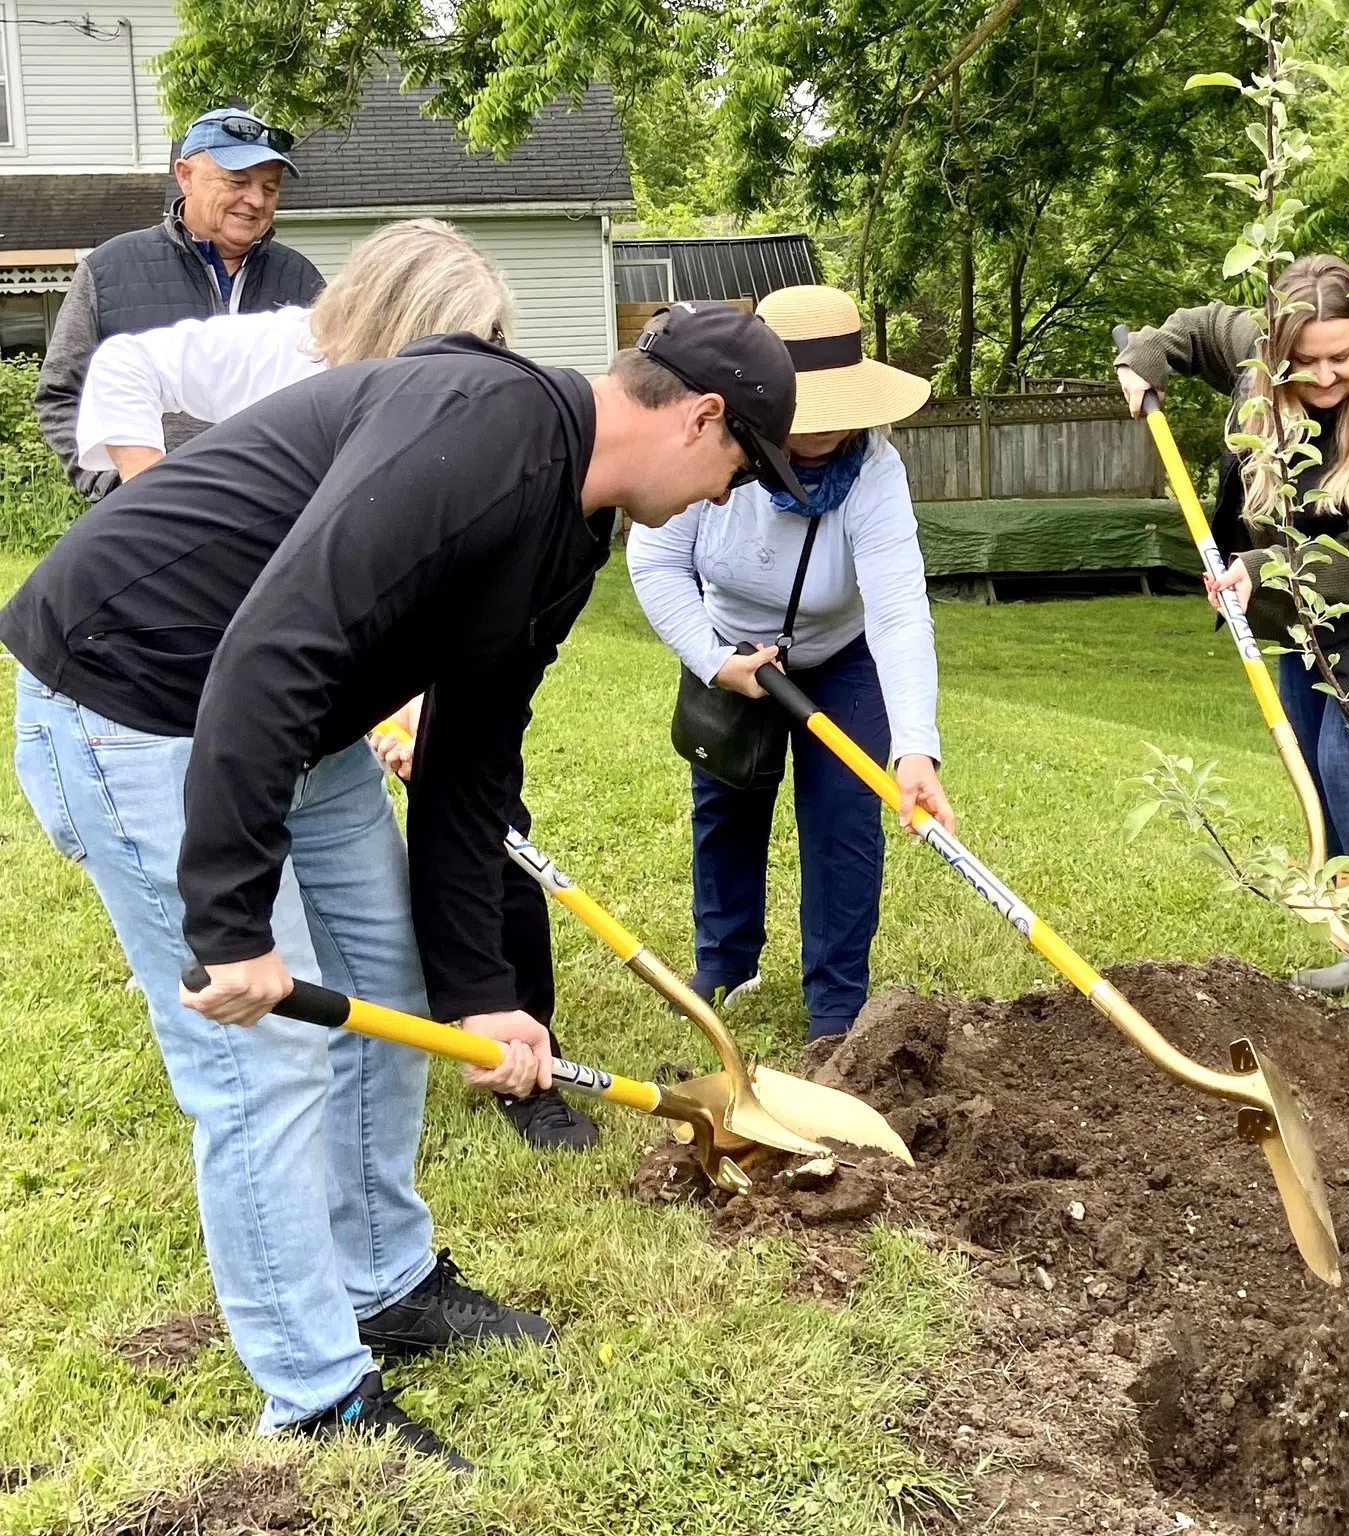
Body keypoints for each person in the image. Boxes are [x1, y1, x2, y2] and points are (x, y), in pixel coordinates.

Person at [1, 303, 804, 1463]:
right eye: (741, 465)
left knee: (389, 984)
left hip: (297, 724)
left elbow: (473, 757)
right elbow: (272, 645)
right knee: (260, 1059)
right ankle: (316, 1396)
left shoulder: (568, 526)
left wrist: (483, 988)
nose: (730, 496)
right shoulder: (484, 426)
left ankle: (385, 1283)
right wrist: (230, 918)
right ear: (700, 416)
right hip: (137, 697)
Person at [71, 219, 595, 1153]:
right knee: (266, 1045)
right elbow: (120, 371)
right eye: (457, 345)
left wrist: (403, 710)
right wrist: (149, 494)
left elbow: (383, 602)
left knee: (432, 893)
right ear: (394, 320)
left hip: (315, 684)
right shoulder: (276, 354)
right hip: (182, 682)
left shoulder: (462, 432)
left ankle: (403, 1249)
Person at [1115, 254, 1349, 1002]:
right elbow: (1193, 330)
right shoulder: (1259, 358)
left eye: (1341, 357)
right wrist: (1143, 359)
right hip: (1311, 610)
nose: (1322, 377)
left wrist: (1264, 572)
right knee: (1319, 771)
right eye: (1303, 361)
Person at [628, 284, 953, 1042]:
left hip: (843, 657)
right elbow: (656, 564)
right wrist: (715, 663)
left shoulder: (874, 472)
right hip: (732, 647)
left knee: (844, 822)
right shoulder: (710, 455)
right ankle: (725, 963)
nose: (825, 429)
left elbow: (900, 610)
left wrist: (915, 745)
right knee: (726, 806)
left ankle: (836, 1007)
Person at [35, 107, 325, 499]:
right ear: (185, 176)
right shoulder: (108, 271)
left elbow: (331, 396)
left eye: (270, 188)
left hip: (276, 516)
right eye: (237, 180)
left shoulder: (302, 279)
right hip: (156, 521)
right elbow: (60, 394)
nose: (255, 200)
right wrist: (112, 486)